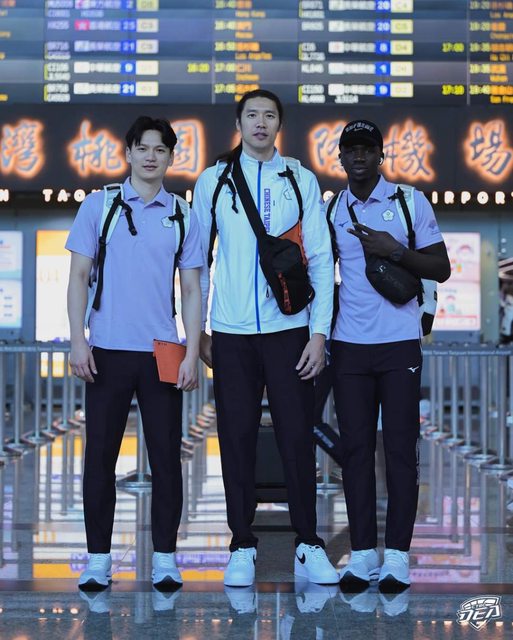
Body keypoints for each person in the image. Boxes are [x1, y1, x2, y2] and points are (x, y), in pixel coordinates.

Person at [193, 89, 338, 587]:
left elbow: (321, 260)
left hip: (289, 331)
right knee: (235, 438)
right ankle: (241, 543)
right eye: (252, 115)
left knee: (297, 436)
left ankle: (308, 543)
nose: (260, 122)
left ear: (279, 124)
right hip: (231, 334)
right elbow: (196, 262)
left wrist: (318, 334)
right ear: (238, 123)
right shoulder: (214, 180)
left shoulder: (299, 178)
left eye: (269, 115)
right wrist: (198, 333)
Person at [66, 116, 202, 591]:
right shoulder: (99, 206)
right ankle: (98, 560)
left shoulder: (182, 214)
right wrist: (78, 339)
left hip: (162, 351)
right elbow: (78, 276)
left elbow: (191, 288)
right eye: (143, 148)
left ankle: (165, 558)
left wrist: (191, 351)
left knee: (166, 459)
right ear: (128, 153)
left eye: (160, 150)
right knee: (100, 459)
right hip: (106, 349)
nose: (150, 157)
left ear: (171, 157)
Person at [330, 120, 450, 590]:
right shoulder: (331, 210)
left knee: (400, 451)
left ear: (381, 155)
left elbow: (440, 266)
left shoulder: (408, 201)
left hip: (400, 343)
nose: (359, 156)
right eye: (351, 149)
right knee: (355, 452)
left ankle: (397, 554)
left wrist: (395, 250)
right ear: (340, 158)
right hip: (348, 346)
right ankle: (362, 554)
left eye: (368, 148)